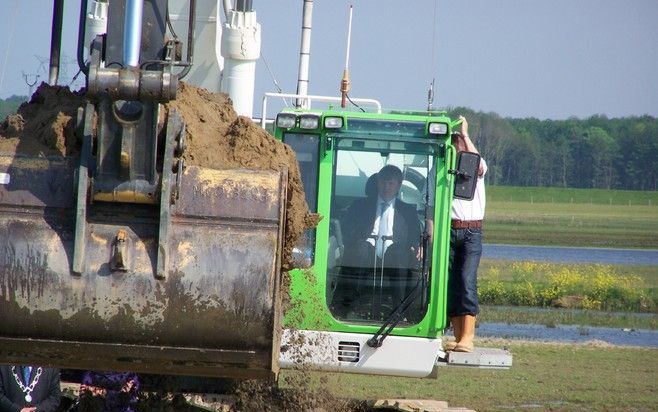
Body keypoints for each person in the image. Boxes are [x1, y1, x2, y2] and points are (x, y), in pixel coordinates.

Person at [426, 115, 486, 353]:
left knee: (466, 279)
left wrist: (466, 134)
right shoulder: (439, 171)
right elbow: (430, 205)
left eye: (458, 140)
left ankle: (468, 337)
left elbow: (479, 163)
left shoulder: (473, 167)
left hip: (471, 230)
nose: (455, 145)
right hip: (447, 230)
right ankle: (458, 334)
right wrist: (430, 235)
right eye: (452, 140)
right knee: (448, 281)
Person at [339, 164, 422, 312]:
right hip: (365, 253)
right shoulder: (359, 206)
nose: (387, 187)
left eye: (391, 183)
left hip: (394, 256)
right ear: (377, 183)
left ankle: (400, 310)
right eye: (383, 182)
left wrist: (417, 245)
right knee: (361, 249)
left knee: (400, 253)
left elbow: (415, 235)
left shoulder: (408, 211)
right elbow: (347, 230)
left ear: (398, 186)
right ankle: (349, 307)